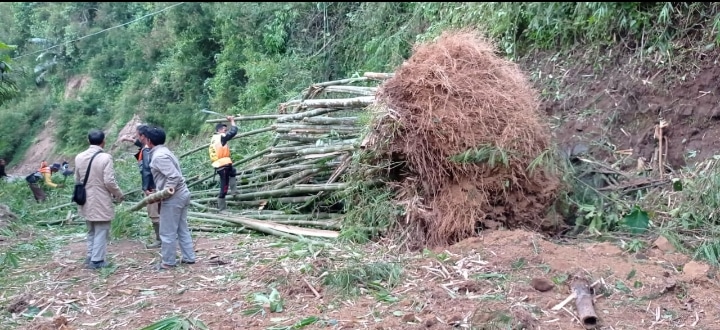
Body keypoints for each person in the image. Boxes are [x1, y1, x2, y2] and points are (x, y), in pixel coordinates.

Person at [146, 126, 195, 270]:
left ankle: (168, 262)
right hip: (182, 194)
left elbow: (174, 176)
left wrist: (164, 193)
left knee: (167, 231)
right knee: (181, 228)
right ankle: (189, 257)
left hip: (175, 197)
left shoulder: (159, 156)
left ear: (149, 141)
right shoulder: (165, 151)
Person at [74, 129, 124, 270]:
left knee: (91, 229)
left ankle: (90, 255)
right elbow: (109, 181)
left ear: (88, 140)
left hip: (85, 198)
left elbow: (77, 179)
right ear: (103, 142)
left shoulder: (79, 157)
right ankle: (97, 260)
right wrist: (119, 194)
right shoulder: (105, 158)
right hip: (100, 198)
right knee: (102, 229)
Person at [120, 125, 161, 248]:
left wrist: (146, 187)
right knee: (158, 212)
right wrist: (129, 140)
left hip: (152, 187)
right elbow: (140, 144)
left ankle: (160, 239)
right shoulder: (150, 146)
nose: (137, 137)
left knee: (154, 214)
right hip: (156, 185)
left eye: (138, 135)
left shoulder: (147, 150)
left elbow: (147, 170)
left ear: (144, 136)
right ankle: (165, 237)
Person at [208, 116, 239, 211]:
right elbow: (233, 132)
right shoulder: (220, 137)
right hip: (222, 166)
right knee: (224, 187)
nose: (226, 131)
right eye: (225, 130)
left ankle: (234, 191)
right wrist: (232, 121)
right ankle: (222, 208)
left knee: (233, 171)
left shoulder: (214, 138)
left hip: (224, 164)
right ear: (220, 130)